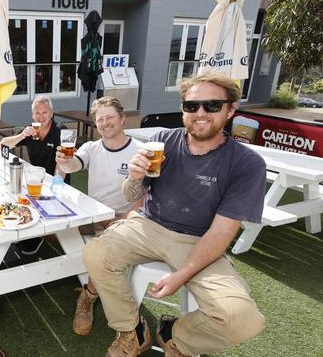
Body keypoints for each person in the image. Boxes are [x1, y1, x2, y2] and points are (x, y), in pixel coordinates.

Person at [83, 71, 266, 357]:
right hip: (148, 224)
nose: (201, 113)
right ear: (183, 110)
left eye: (212, 105)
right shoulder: (162, 140)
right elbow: (134, 196)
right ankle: (132, 330)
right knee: (95, 254)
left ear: (231, 110)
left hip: (199, 239)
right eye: (192, 106)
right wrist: (133, 178)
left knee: (242, 320)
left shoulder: (246, 163)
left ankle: (175, 335)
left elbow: (221, 232)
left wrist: (183, 274)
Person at [55, 96, 143, 336]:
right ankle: (84, 273)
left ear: (123, 119)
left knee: (100, 254)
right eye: (100, 119)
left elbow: (147, 194)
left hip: (121, 220)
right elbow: (75, 165)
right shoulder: (92, 147)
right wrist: (65, 161)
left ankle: (88, 296)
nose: (104, 123)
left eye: (110, 117)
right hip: (91, 215)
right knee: (53, 232)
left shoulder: (139, 152)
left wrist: (124, 217)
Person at [0, 94, 68, 255]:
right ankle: (31, 233)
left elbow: (63, 162)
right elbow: (3, 145)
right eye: (37, 113)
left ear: (51, 113)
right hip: (35, 181)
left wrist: (55, 184)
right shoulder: (31, 130)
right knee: (18, 198)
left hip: (56, 181)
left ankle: (40, 235)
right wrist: (22, 135)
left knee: (43, 210)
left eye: (45, 112)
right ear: (32, 115)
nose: (41, 116)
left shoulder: (60, 131)